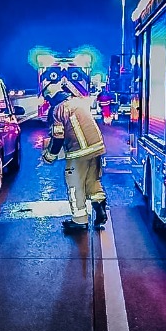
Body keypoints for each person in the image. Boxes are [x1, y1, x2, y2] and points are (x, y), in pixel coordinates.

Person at [40, 80, 108, 231]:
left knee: (74, 185)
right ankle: (101, 210)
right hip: (96, 148)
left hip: (78, 152)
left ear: (51, 97)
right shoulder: (78, 102)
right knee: (92, 181)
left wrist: (49, 156)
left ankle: (79, 220)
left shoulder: (58, 110)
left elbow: (58, 137)